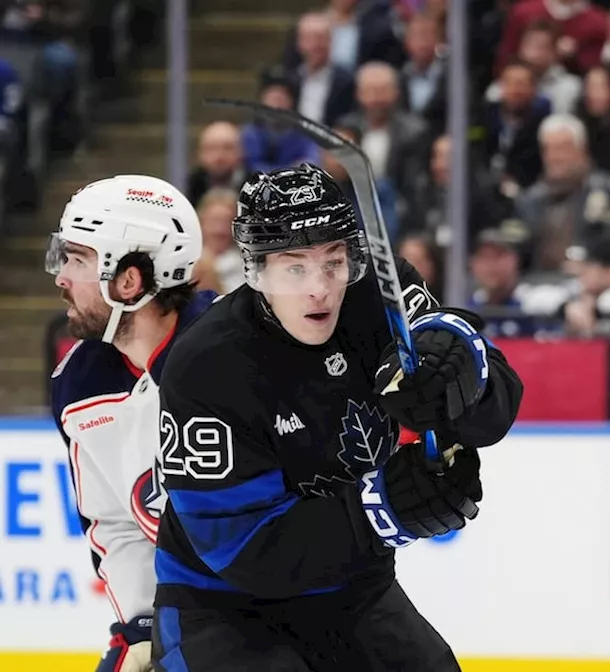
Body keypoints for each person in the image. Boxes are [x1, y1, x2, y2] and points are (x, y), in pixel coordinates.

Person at [149, 164, 524, 671]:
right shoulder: (206, 366)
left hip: (354, 589)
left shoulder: (382, 296)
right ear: (256, 270)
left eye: (333, 261)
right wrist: (381, 511)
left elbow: (492, 414)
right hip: (223, 607)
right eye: (294, 268)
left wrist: (466, 377)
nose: (320, 288)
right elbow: (244, 553)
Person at [46, 175, 214, 672]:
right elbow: (116, 523)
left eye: (77, 259)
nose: (60, 277)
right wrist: (141, 624)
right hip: (186, 616)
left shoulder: (239, 352)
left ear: (129, 279)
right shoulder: (78, 381)